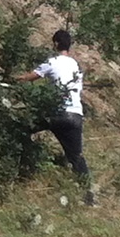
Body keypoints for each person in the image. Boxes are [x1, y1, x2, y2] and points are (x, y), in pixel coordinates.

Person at [14, 27, 93, 201]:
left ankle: (19, 162)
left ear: (55, 44)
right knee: (76, 157)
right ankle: (88, 196)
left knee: (22, 128)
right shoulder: (76, 66)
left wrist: (13, 79)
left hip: (58, 113)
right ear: (69, 46)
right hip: (76, 115)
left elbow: (31, 76)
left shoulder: (52, 62)